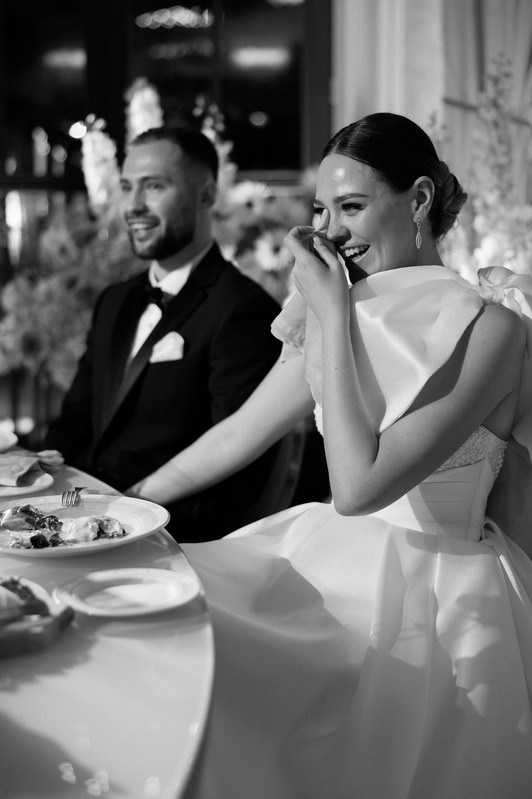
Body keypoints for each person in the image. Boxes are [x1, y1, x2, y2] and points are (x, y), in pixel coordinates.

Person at [131, 112, 532, 799]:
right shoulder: (330, 307)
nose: (332, 231)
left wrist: (335, 318)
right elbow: (236, 435)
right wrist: (126, 503)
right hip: (324, 560)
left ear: (420, 200)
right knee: (162, 625)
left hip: (443, 602)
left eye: (351, 206)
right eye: (321, 210)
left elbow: (359, 483)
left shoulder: (494, 328)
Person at [43, 126, 282, 542]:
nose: (133, 206)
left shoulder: (243, 308)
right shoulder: (115, 300)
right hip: (80, 516)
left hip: (168, 536)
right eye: (126, 187)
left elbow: (238, 467)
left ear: (206, 195)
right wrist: (46, 488)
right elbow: (75, 421)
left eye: (154, 187)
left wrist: (127, 521)